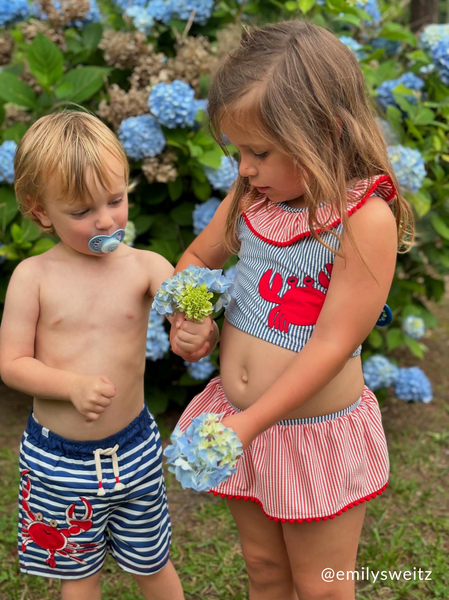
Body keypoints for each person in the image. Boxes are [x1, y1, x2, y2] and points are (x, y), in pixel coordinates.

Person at [169, 21, 414, 600]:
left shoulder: (362, 219)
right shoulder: (253, 195)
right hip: (241, 423)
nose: (244, 168)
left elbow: (331, 345)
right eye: (238, 151)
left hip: (311, 437)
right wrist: (191, 315)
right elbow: (198, 259)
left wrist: (250, 423)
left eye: (259, 152)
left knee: (322, 584)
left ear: (325, 133)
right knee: (265, 570)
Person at [0, 111, 188, 600]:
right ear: (41, 211)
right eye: (82, 211)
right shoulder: (33, 278)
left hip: (134, 449)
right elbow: (11, 363)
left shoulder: (147, 267)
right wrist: (71, 386)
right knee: (79, 574)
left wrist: (194, 330)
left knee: (153, 562)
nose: (106, 220)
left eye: (116, 200)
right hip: (58, 460)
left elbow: (185, 313)